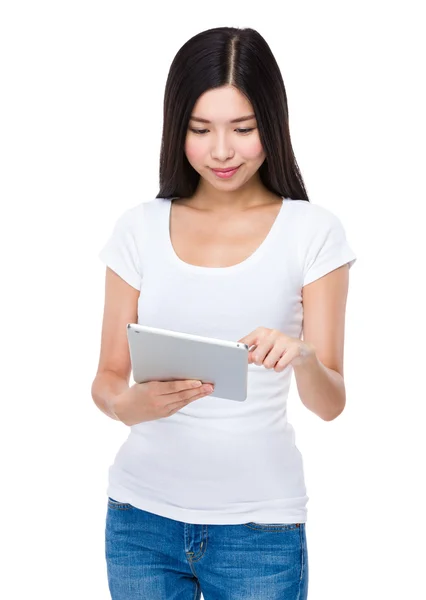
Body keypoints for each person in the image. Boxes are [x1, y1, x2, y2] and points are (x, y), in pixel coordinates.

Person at [91, 26, 357, 600]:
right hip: (141, 521)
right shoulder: (137, 228)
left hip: (260, 530)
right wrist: (126, 404)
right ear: (176, 127)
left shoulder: (313, 233)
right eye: (200, 129)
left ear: (272, 124)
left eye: (243, 129)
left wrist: (304, 358)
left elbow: (331, 402)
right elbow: (107, 378)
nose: (221, 151)